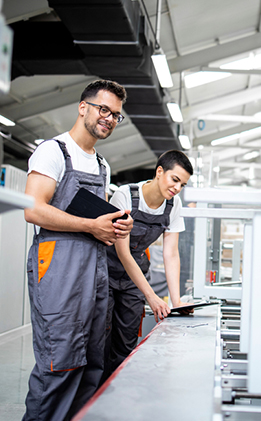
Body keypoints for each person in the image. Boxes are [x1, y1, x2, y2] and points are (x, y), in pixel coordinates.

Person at [23, 79, 133, 421]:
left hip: (93, 273)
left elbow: (95, 219)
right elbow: (33, 209)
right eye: (104, 109)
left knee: (91, 365)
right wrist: (90, 226)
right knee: (59, 364)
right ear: (82, 107)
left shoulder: (102, 165)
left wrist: (114, 228)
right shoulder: (53, 151)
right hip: (58, 270)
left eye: (116, 115)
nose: (109, 119)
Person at [104, 150, 193, 376]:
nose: (177, 188)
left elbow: (171, 253)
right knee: (100, 341)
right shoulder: (126, 196)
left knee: (126, 343)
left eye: (182, 185)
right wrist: (152, 297)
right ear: (159, 171)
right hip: (107, 273)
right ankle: (91, 401)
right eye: (175, 180)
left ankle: (118, 395)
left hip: (135, 280)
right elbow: (123, 253)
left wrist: (176, 302)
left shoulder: (173, 205)